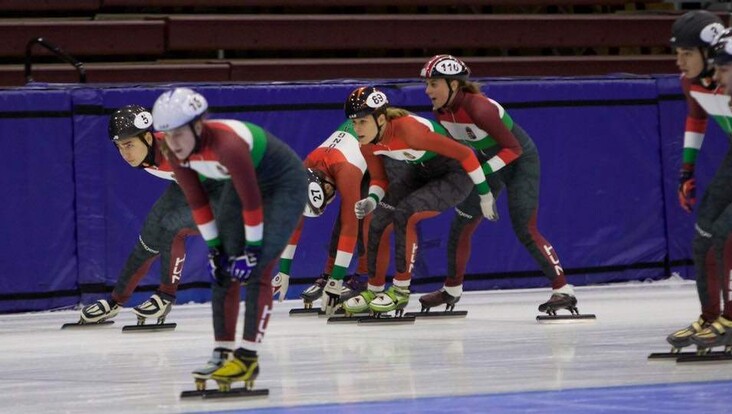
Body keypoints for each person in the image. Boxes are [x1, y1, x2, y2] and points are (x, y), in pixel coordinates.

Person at [151, 87, 306, 391]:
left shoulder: (228, 145)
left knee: (257, 268)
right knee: (223, 270)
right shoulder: (174, 152)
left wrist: (252, 250)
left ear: (198, 125)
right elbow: (198, 202)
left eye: (178, 133)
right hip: (243, 188)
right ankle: (223, 350)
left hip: (283, 185)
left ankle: (248, 356)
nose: (173, 143)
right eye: (166, 135)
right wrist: (214, 249)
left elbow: (252, 202)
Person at [420, 54, 575, 315]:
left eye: (434, 83)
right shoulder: (441, 112)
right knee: (461, 224)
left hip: (518, 161)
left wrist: (481, 178)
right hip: (486, 164)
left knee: (524, 228)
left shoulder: (480, 108)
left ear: (453, 84)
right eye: (427, 84)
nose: (427, 90)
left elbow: (512, 149)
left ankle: (564, 290)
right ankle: (452, 290)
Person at [341, 86, 497, 316]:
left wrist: (484, 194)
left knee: (406, 213)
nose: (357, 128)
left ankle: (401, 290)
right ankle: (373, 289)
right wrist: (373, 200)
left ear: (381, 118)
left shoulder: (410, 131)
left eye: (362, 121)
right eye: (353, 123)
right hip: (420, 171)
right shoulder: (367, 144)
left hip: (454, 174)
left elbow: (466, 154)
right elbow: (380, 178)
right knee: (378, 220)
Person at [78, 105, 222, 326]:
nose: (125, 154)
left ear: (147, 137)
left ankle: (165, 297)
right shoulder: (149, 153)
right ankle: (115, 302)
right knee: (149, 238)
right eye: (119, 147)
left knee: (174, 228)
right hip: (190, 185)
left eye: (128, 145)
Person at [665, 11, 732, 351]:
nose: (679, 62)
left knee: (728, 234)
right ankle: (711, 317)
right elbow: (696, 120)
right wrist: (686, 172)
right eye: (677, 53)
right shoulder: (692, 81)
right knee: (704, 234)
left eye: (687, 53)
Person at [272, 120, 369, 314]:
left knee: (364, 219)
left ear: (326, 187)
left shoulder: (347, 171)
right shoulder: (303, 170)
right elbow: (294, 222)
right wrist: (283, 270)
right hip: (353, 145)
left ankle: (364, 279)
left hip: (376, 152)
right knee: (344, 222)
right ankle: (329, 274)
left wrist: (338, 280)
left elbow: (349, 227)